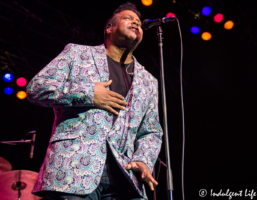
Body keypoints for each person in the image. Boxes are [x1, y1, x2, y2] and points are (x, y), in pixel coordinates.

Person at [26, 2, 163, 200]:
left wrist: (143, 160)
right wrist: (89, 94)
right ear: (109, 28)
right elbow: (36, 88)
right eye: (127, 19)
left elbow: (151, 130)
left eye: (139, 23)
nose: (135, 23)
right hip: (72, 172)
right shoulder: (77, 54)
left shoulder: (149, 81)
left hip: (124, 179)